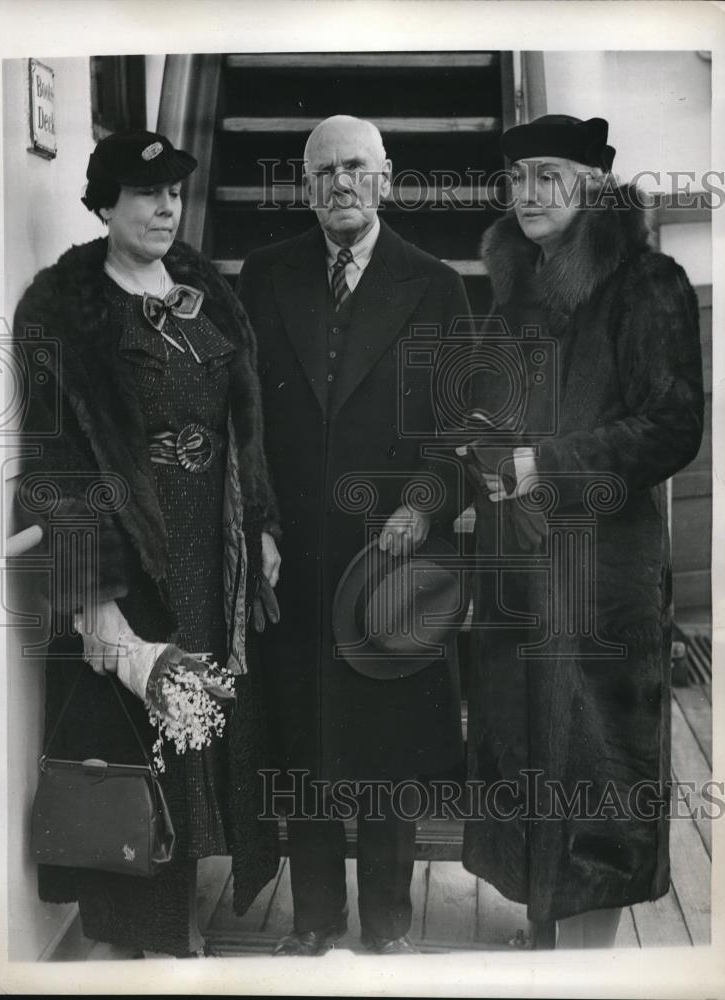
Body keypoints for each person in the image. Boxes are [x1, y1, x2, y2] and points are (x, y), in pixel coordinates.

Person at [14, 129, 281, 958]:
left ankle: (184, 915)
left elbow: (246, 427)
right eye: (143, 192)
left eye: (173, 192)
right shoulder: (64, 309)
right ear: (103, 204)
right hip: (132, 558)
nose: (165, 207)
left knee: (201, 728)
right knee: (139, 734)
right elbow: (53, 464)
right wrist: (93, 591)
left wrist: (262, 523)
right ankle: (145, 933)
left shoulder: (207, 291)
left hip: (213, 550)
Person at [458, 115, 704, 948]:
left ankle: (588, 954)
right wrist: (482, 451)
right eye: (517, 176)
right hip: (520, 559)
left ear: (592, 185)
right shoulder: (515, 288)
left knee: (597, 761)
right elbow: (488, 406)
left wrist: (545, 464)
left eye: (547, 176)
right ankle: (543, 922)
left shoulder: (648, 283)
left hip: (602, 573)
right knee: (524, 746)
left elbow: (672, 426)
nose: (526, 193)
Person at [237, 115, 470, 955]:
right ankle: (311, 922)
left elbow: (454, 434)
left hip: (388, 557)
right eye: (323, 171)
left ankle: (386, 926)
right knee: (301, 742)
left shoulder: (434, 284)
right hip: (291, 553)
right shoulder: (262, 277)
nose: (339, 183)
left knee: (386, 749)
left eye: (355, 168)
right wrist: (257, 521)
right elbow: (243, 422)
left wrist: (420, 504)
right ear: (305, 186)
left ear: (386, 178)